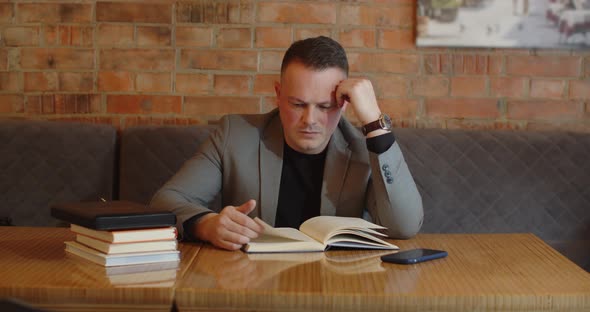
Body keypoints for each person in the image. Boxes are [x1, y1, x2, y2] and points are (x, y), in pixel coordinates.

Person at [150, 36, 423, 251]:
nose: (310, 120)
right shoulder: (235, 134)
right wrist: (206, 225)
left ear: (343, 105)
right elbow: (165, 202)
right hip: (249, 283)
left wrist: (375, 123)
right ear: (279, 95)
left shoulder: (366, 148)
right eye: (298, 104)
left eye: (325, 107)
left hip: (336, 288)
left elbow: (405, 226)